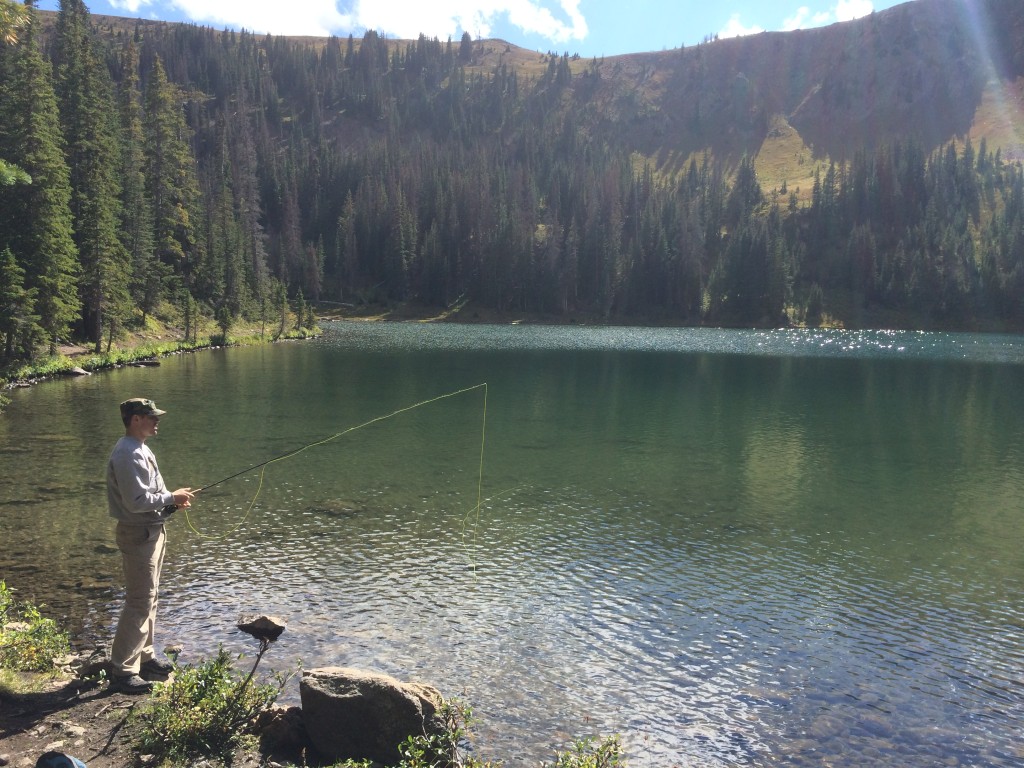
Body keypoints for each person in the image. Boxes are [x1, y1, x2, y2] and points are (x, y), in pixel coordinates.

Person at [106, 397, 194, 694]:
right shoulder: (127, 454)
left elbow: (148, 497)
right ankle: (122, 670)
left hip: (151, 530)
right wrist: (171, 497)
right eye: (151, 417)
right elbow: (136, 501)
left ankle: (145, 658)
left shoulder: (140, 449)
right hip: (138, 534)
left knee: (151, 597)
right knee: (139, 601)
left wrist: (171, 503)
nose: (157, 421)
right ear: (135, 420)